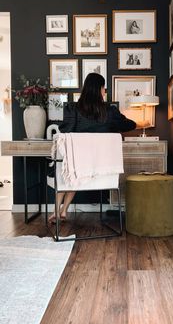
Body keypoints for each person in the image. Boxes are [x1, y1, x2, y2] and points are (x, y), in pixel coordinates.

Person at [49, 73, 149, 223]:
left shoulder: (72, 108)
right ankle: (63, 211)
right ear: (99, 89)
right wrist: (140, 123)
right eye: (104, 88)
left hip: (79, 166)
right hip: (100, 169)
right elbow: (126, 124)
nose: (105, 92)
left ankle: (57, 211)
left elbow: (64, 132)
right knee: (77, 168)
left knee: (69, 168)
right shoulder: (110, 111)